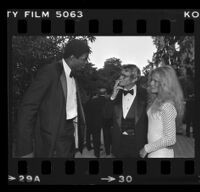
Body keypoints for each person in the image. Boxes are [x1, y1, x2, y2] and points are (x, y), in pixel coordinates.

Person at [16, 39, 90, 158]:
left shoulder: (74, 77)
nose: (85, 62)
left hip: (70, 133)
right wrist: (25, 149)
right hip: (52, 136)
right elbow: (28, 108)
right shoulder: (49, 72)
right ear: (72, 57)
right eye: (83, 59)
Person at [139, 65, 184, 158]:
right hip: (155, 152)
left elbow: (170, 139)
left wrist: (146, 148)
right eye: (151, 80)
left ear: (165, 83)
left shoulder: (167, 106)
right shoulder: (157, 100)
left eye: (155, 81)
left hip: (161, 154)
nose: (151, 83)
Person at [111, 64, 148, 158]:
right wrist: (113, 96)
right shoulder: (116, 94)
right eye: (120, 75)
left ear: (135, 79)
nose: (120, 78)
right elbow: (105, 116)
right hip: (119, 143)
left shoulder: (146, 95)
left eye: (124, 76)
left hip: (138, 144)